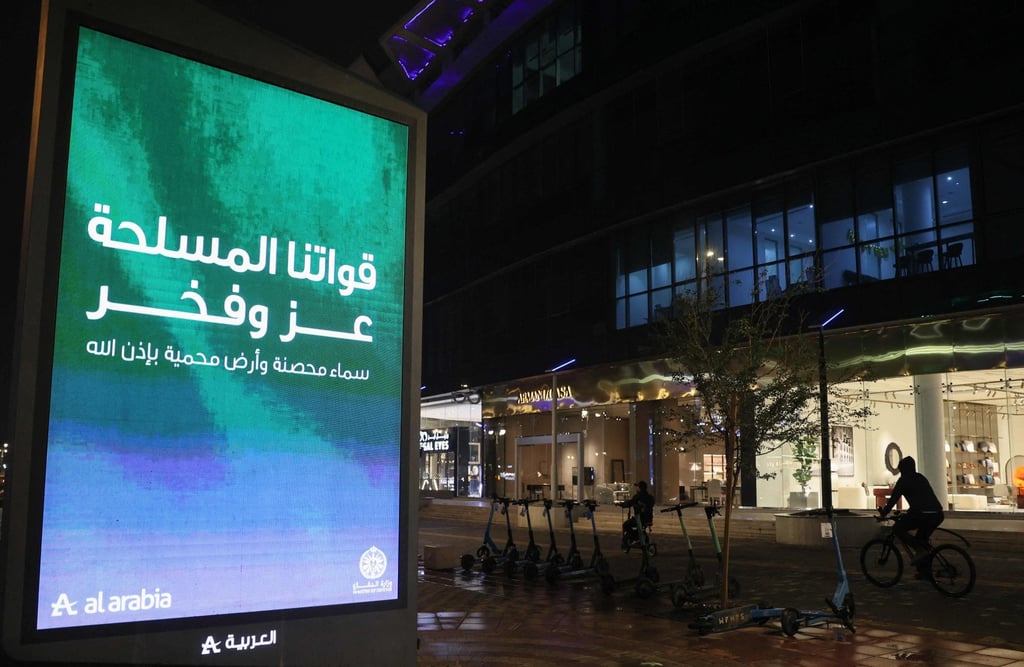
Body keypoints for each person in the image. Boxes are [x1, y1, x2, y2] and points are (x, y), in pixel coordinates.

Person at [879, 455, 945, 578]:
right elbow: (922, 498)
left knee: (898, 528)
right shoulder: (920, 477)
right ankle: (924, 572)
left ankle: (919, 551)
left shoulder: (903, 480)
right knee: (921, 540)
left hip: (923, 514)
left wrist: (883, 513)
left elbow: (893, 499)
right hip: (937, 514)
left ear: (903, 470)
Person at [621, 480, 654, 549]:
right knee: (641, 527)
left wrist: (622, 504)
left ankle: (634, 537)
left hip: (639, 519)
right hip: (648, 519)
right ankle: (639, 537)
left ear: (640, 488)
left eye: (637, 487)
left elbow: (630, 503)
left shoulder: (637, 497)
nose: (636, 489)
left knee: (625, 525)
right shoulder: (650, 497)